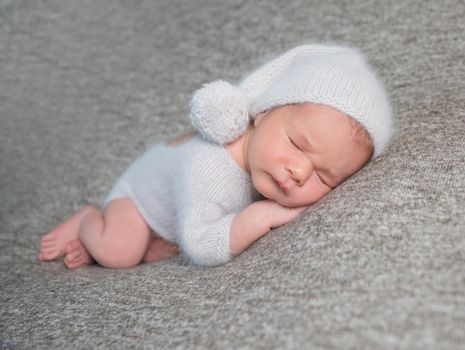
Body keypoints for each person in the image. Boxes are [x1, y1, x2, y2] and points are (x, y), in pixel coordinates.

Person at [38, 43, 393, 268]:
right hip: (136, 202)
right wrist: (260, 216)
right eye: (297, 144)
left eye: (324, 176)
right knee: (120, 252)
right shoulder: (207, 168)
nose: (299, 170)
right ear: (264, 112)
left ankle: (109, 246)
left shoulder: (263, 161)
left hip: (177, 210)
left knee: (151, 250)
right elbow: (201, 244)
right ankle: (89, 220)